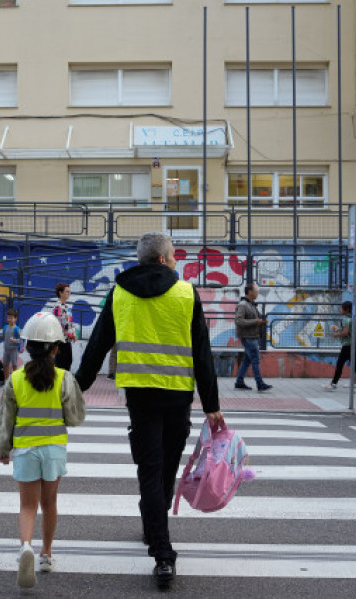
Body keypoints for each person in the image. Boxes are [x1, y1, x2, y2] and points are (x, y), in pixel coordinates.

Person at [75, 231, 222, 590]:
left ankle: (153, 528)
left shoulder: (120, 292)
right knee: (164, 470)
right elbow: (202, 353)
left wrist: (75, 388)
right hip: (177, 397)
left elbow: (97, 344)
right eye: (173, 256)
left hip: (140, 398)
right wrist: (212, 406)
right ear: (161, 259)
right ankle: (163, 553)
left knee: (150, 470)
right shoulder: (186, 294)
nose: (176, 262)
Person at [0, 311, 86, 589]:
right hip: (54, 449)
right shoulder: (64, 378)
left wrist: (3, 448)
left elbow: (5, 419)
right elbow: (75, 418)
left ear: (27, 347)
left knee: (27, 506)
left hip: (24, 450)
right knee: (50, 504)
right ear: (56, 349)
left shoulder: (16, 380)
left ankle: (25, 548)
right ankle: (46, 554)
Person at [323, 300, 356, 393]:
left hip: (347, 345)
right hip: (354, 344)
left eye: (342, 308)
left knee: (340, 364)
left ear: (346, 309)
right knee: (355, 366)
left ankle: (333, 384)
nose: (340, 309)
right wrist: (338, 329)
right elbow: (348, 330)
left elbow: (345, 332)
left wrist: (336, 335)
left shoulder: (346, 319)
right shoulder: (353, 318)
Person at [234, 282, 272, 392]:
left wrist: (261, 321)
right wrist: (256, 321)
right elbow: (239, 321)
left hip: (252, 336)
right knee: (255, 359)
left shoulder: (251, 304)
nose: (257, 294)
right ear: (250, 292)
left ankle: (239, 382)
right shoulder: (243, 305)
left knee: (247, 360)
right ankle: (260, 384)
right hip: (248, 337)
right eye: (256, 291)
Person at [51, 283, 76, 370]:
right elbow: (62, 324)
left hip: (67, 339)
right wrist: (70, 334)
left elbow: (70, 322)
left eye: (69, 292)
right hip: (60, 339)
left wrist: (74, 333)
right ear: (60, 293)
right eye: (66, 291)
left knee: (68, 361)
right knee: (61, 363)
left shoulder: (67, 307)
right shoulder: (57, 307)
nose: (69, 293)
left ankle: (65, 381)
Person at [2, 308, 22, 384]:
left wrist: (14, 340)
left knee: (14, 365)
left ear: (15, 318)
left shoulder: (17, 329)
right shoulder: (5, 327)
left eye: (11, 318)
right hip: (6, 349)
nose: (9, 319)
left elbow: (20, 340)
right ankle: (6, 380)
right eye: (8, 318)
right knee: (5, 364)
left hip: (14, 350)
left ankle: (15, 381)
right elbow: (3, 337)